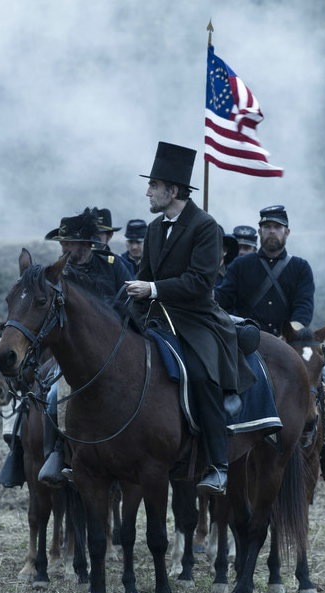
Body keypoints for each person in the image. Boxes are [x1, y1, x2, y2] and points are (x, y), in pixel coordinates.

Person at [125, 141, 255, 495]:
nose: (148, 192)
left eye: (153, 185)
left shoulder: (206, 227)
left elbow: (200, 283)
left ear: (173, 190)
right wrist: (129, 302)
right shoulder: (154, 228)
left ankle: (218, 465)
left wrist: (152, 289)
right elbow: (145, 272)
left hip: (198, 320)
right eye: (150, 185)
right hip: (158, 318)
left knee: (200, 376)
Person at [215, 204, 325, 482]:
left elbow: (303, 308)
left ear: (287, 232)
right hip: (249, 346)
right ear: (260, 231)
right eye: (267, 227)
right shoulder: (239, 266)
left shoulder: (300, 268)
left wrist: (289, 337)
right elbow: (224, 301)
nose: (272, 231)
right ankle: (216, 452)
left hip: (290, 346)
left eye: (277, 227)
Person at [0, 207, 132, 487]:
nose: (63, 247)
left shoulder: (112, 264)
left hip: (114, 350)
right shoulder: (57, 274)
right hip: (72, 351)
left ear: (85, 244)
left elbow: (128, 303)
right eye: (62, 242)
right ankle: (57, 453)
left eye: (68, 242)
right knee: (51, 392)